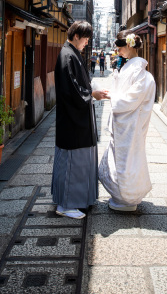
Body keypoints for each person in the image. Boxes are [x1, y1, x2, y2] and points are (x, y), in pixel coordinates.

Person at [52, 21, 109, 219]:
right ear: (76, 36)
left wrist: (91, 92)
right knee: (71, 162)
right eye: (85, 39)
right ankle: (66, 205)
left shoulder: (70, 53)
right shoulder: (67, 55)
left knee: (75, 161)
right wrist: (92, 94)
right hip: (72, 121)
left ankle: (76, 200)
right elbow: (71, 91)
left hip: (76, 119)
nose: (86, 43)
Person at [98, 31, 156, 212]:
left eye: (120, 47)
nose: (117, 51)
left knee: (128, 159)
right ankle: (123, 195)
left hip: (131, 123)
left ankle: (128, 197)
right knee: (123, 158)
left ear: (129, 45)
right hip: (124, 122)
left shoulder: (140, 72)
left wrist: (113, 96)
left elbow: (131, 98)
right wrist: (113, 93)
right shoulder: (130, 68)